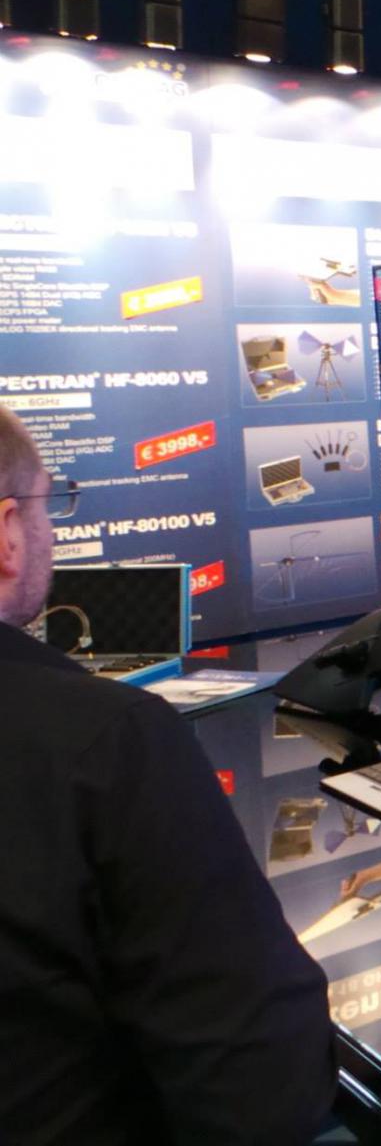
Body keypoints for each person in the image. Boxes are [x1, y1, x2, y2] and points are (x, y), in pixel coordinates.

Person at [0, 408, 337, 1144]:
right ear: (6, 534)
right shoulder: (107, 738)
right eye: (49, 505)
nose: (52, 529)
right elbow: (265, 1092)